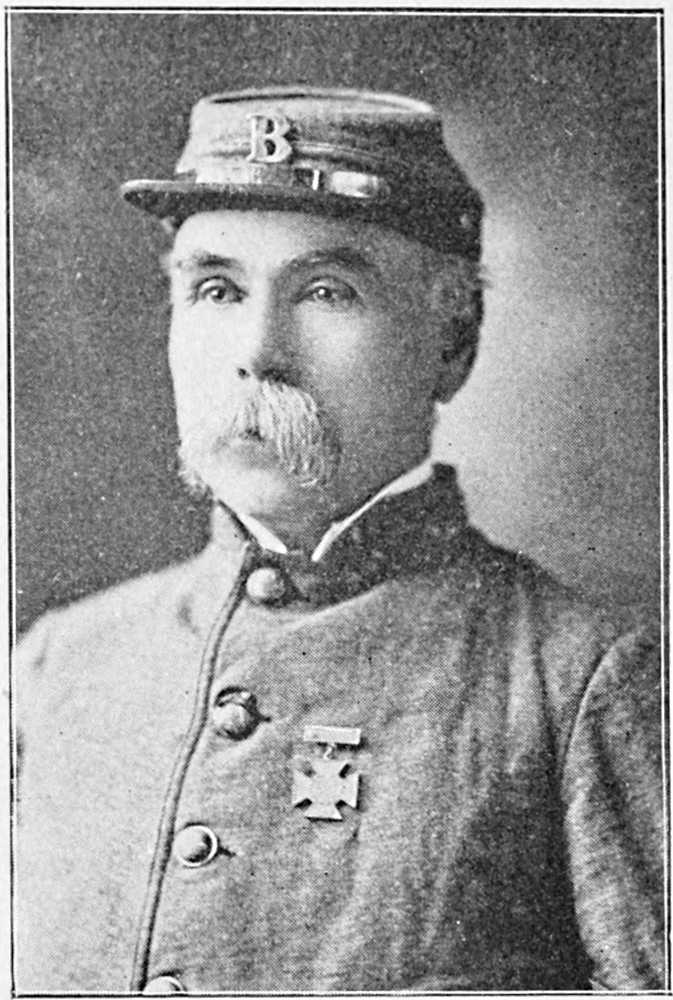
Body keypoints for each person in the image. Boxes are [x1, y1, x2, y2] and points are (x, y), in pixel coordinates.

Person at [14, 87, 664, 993]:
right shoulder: (55, 669)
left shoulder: (574, 683)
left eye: (326, 291)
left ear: (452, 343)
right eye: (215, 289)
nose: (257, 349)